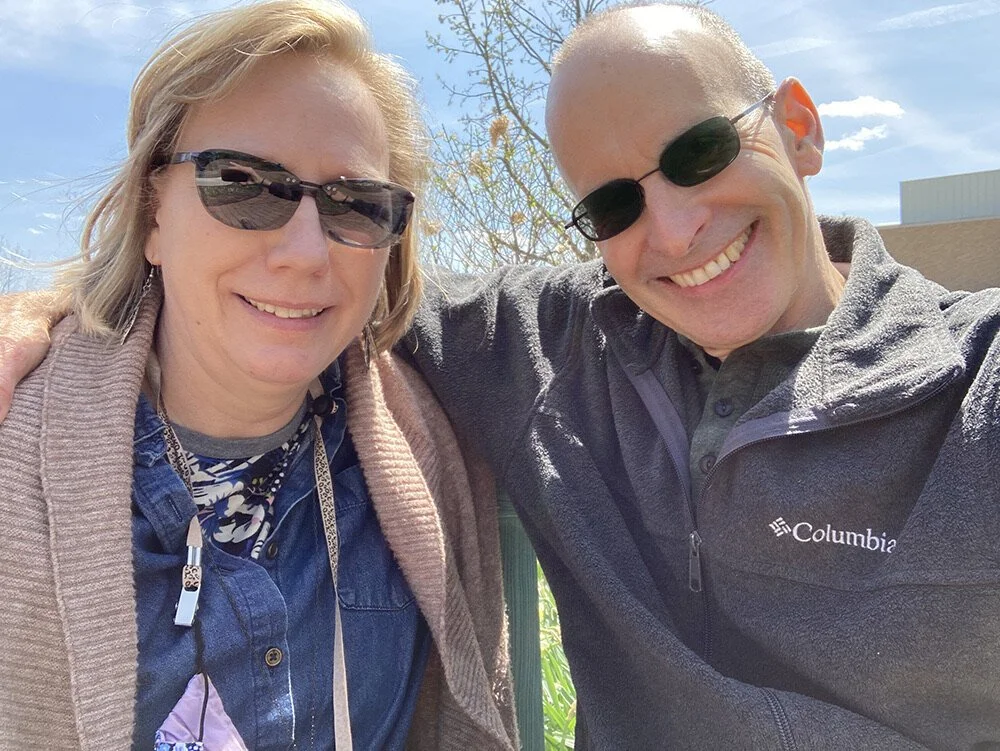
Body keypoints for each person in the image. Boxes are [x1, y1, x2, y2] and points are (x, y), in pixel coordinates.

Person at [3, 2, 1000, 749]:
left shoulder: (974, 387)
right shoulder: (555, 352)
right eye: (242, 187)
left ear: (798, 127)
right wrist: (59, 308)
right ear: (150, 204)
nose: (676, 228)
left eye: (699, 152)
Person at [0, 1, 518, 749]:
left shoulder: (421, 436)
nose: (306, 252)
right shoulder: (18, 445)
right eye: (242, 183)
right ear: (151, 216)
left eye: (358, 204)